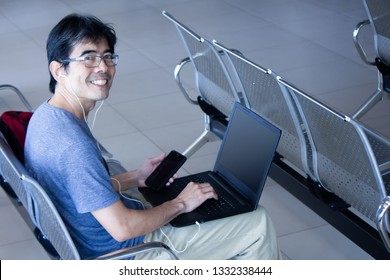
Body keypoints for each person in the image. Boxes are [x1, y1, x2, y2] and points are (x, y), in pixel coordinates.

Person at [24, 13, 281, 260]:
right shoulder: (73, 146)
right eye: (88, 58)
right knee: (257, 222)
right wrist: (181, 203)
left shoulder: (46, 117)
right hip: (128, 255)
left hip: (93, 242)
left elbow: (79, 189)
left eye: (108, 56)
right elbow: (123, 228)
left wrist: (136, 177)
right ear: (59, 70)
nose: (103, 67)